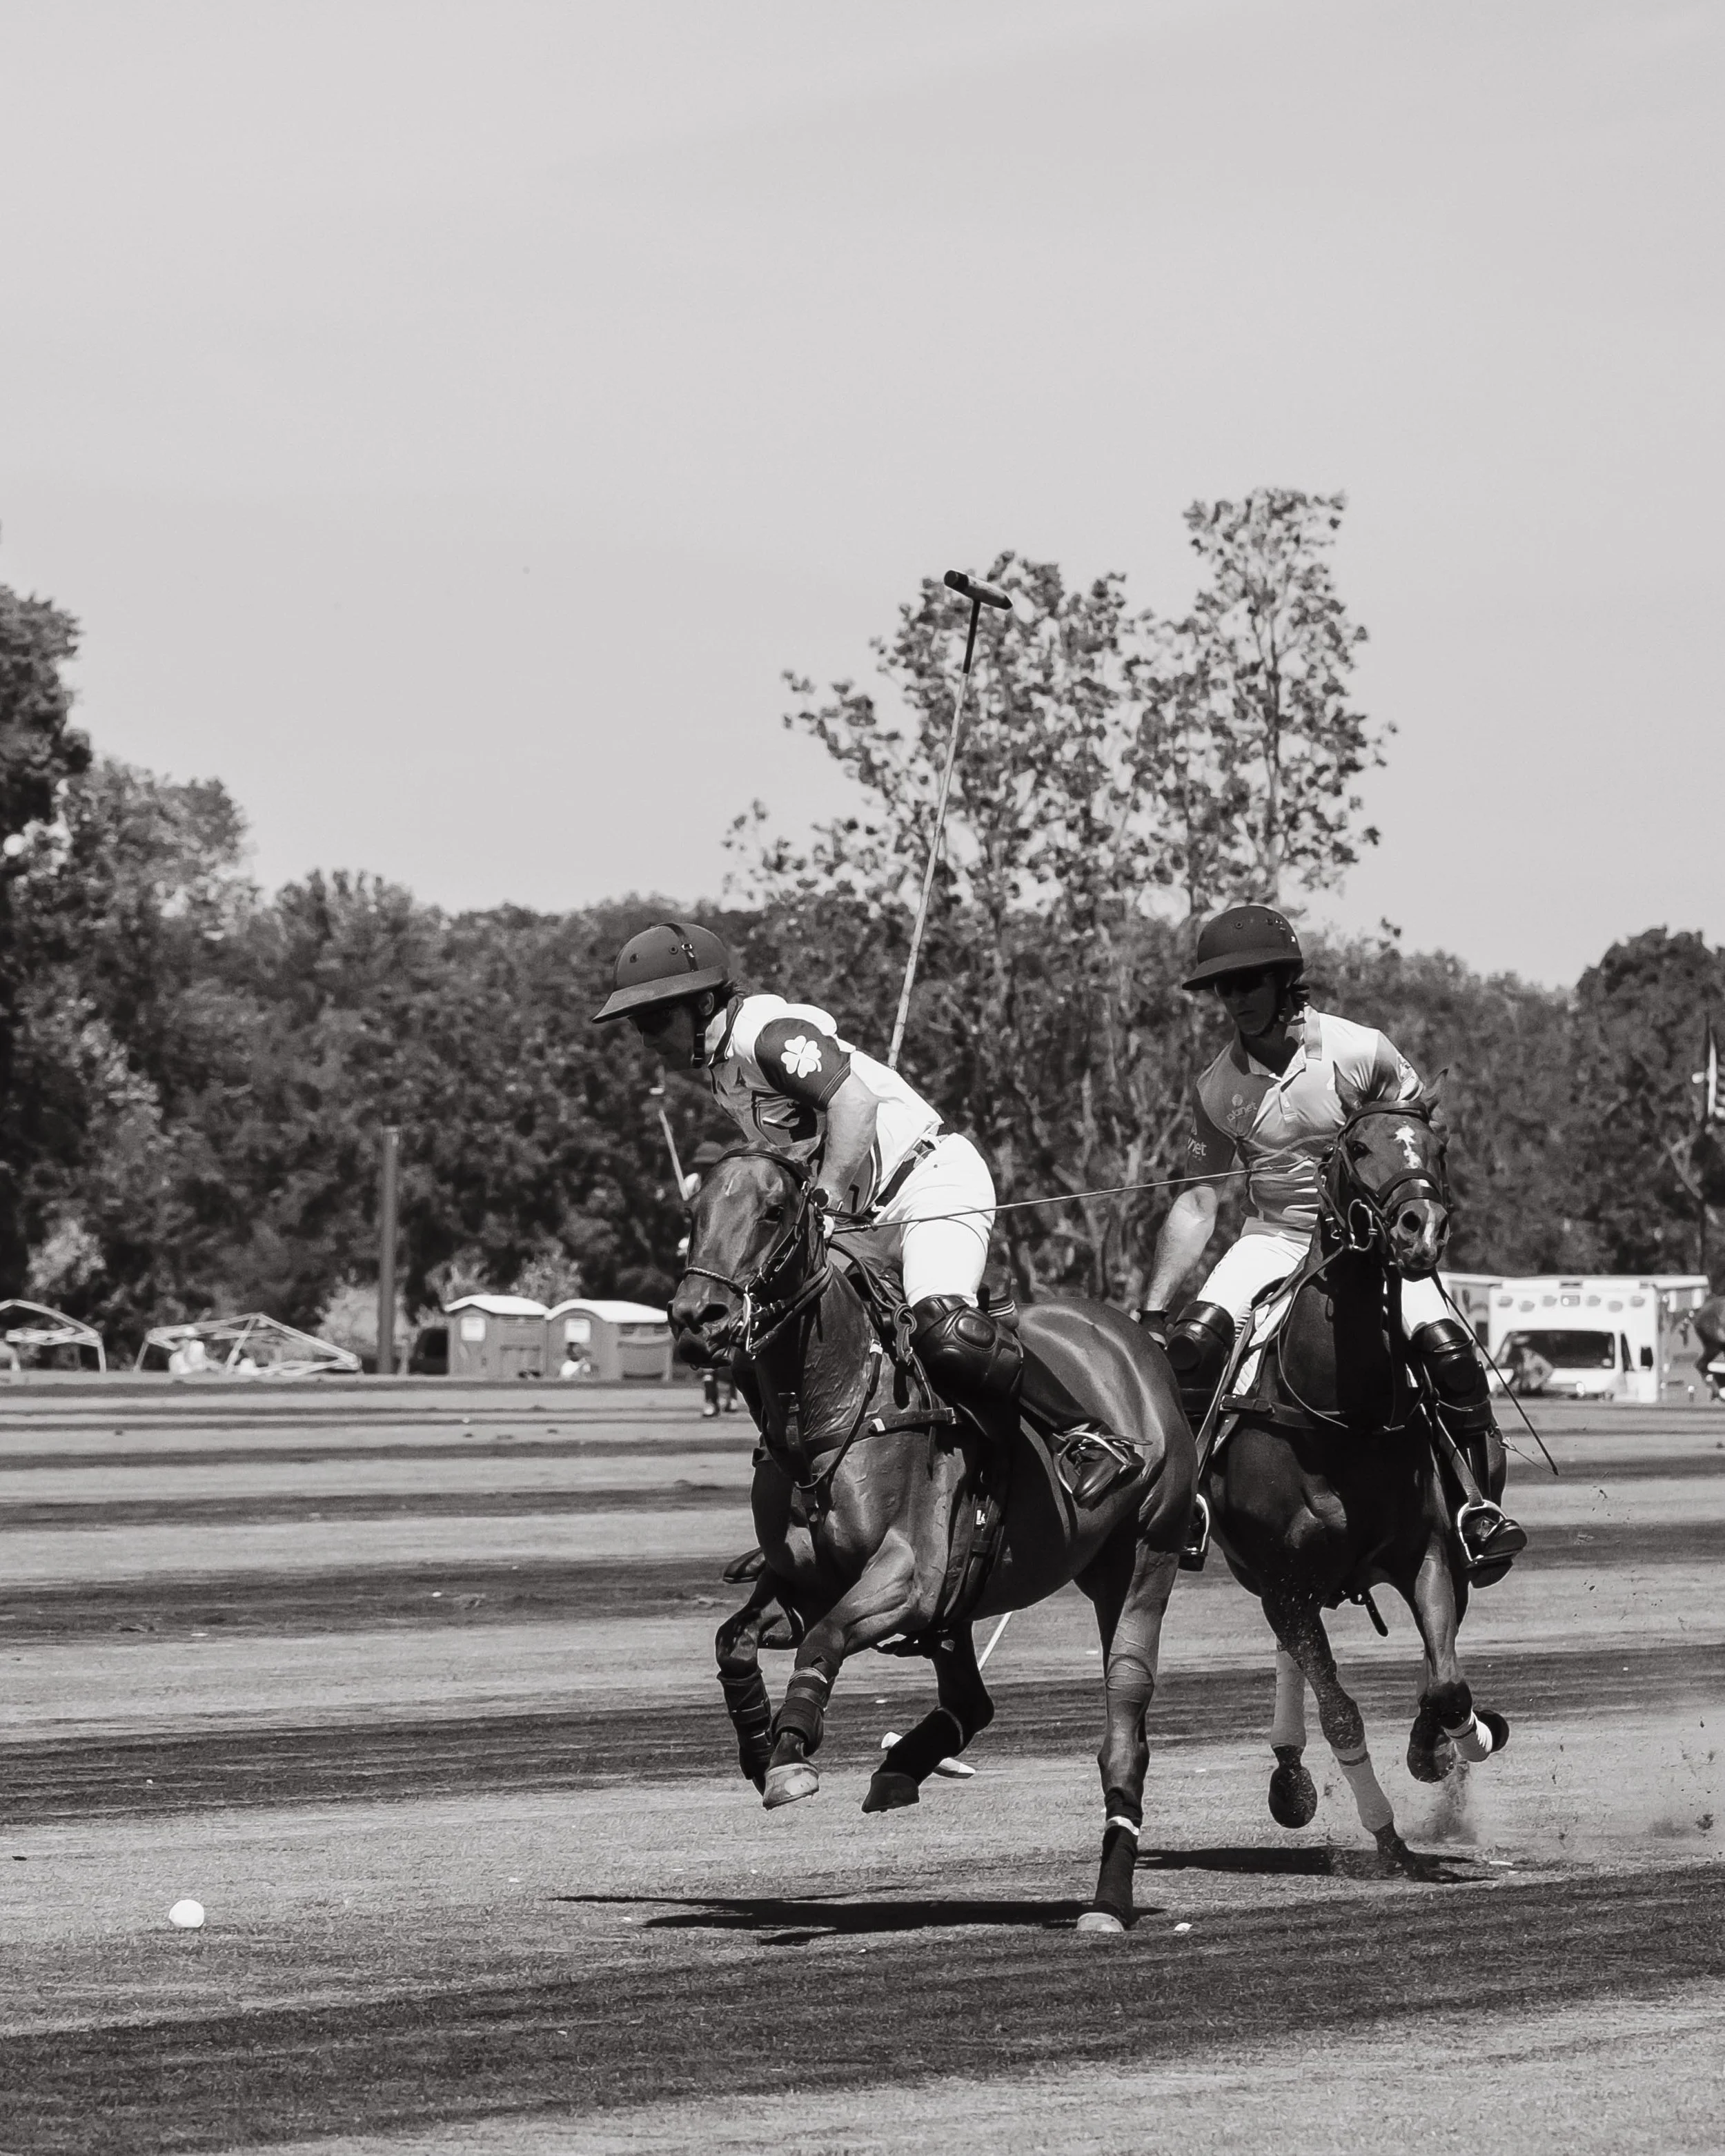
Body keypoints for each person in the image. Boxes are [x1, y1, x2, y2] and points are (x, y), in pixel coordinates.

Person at [593, 921, 1129, 1500]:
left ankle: (1085, 1434)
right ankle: (813, 1493)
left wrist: (821, 1200)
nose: (645, 1038)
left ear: (702, 1003)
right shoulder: (722, 1069)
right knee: (770, 1337)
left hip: (928, 1183)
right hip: (861, 1218)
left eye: (653, 1019)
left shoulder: (765, 1037)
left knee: (944, 1328)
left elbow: (856, 1101)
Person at [1139, 903, 1526, 1581]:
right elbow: (1200, 1199)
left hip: (1367, 1244)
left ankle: (1477, 1510)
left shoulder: (1358, 1050)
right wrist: (1153, 1306)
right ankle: (1194, 1499)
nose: (1234, 1000)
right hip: (1274, 1237)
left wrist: (1414, 1224)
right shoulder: (1218, 1086)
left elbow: (1416, 1138)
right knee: (1195, 1345)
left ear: (1284, 979)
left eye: (1248, 983)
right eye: (1223, 989)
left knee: (1449, 1351)